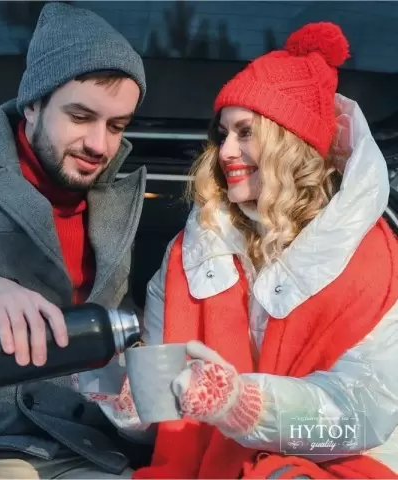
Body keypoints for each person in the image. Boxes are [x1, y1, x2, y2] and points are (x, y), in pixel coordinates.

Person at [81, 22, 398, 479]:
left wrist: (244, 404)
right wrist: (127, 399)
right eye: (223, 133)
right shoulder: (189, 255)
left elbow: (364, 413)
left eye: (245, 132)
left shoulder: (375, 263)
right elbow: (166, 420)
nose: (225, 150)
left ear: (291, 143)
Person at [0, 2, 147, 479]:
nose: (100, 145)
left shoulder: (119, 201)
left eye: (117, 126)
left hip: (81, 446)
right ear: (33, 104)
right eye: (80, 116)